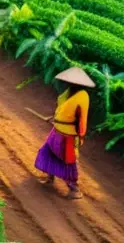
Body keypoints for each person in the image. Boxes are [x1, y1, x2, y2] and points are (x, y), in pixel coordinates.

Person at [35, 66, 94, 200]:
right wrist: (54, 118)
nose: (68, 84)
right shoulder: (68, 93)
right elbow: (63, 110)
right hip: (57, 130)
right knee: (48, 151)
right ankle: (50, 177)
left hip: (68, 135)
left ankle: (74, 189)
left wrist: (81, 135)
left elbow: (82, 119)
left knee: (68, 160)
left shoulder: (83, 96)